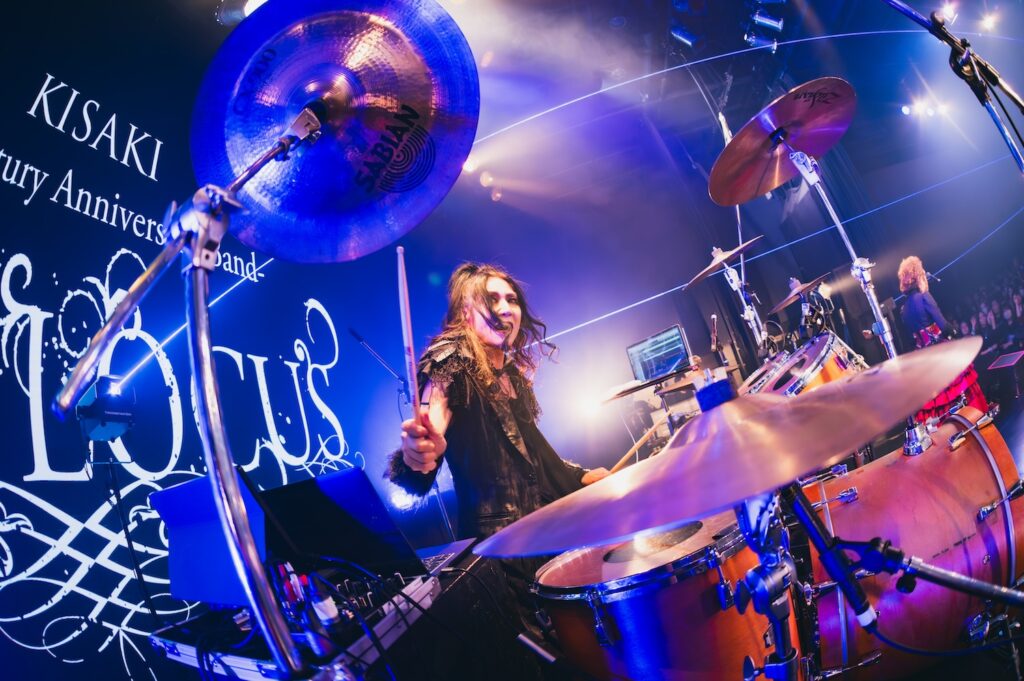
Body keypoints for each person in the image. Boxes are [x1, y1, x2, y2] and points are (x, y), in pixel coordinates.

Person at [387, 262, 610, 539]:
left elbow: (535, 454)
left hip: (541, 533)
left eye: (512, 300)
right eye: (492, 299)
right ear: (465, 312)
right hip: (496, 545)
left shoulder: (512, 375)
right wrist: (420, 451)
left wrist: (578, 476)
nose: (505, 309)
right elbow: (432, 424)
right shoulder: (451, 360)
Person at [898, 256, 988, 422]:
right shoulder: (924, 296)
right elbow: (943, 326)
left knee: (938, 400)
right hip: (939, 351)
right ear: (918, 275)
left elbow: (911, 340)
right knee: (960, 387)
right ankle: (972, 419)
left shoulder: (904, 309)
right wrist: (956, 334)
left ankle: (949, 428)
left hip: (923, 359)